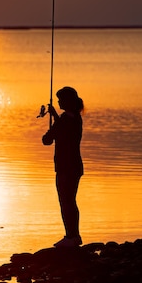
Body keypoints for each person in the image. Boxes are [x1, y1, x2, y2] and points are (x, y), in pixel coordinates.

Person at [42, 86, 84, 248]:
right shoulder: (76, 118)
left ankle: (70, 237)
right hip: (75, 165)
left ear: (68, 101)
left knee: (66, 202)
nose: (58, 101)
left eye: (60, 99)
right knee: (70, 201)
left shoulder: (65, 120)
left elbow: (47, 140)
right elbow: (65, 129)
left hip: (65, 167)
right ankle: (74, 236)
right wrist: (54, 116)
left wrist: (54, 122)